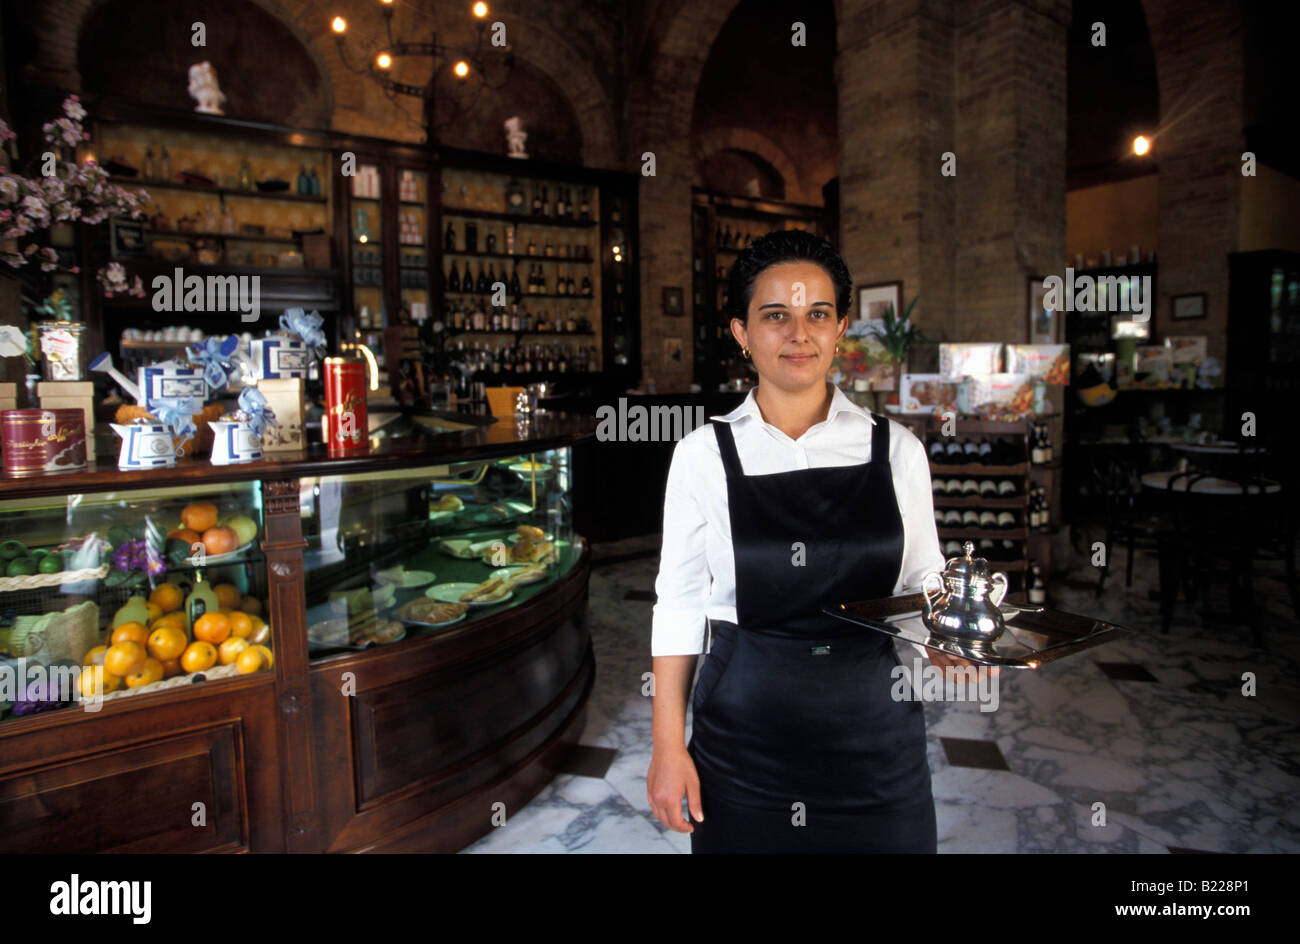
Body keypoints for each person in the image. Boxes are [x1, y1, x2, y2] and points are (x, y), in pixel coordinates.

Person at [646, 230, 976, 853]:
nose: (800, 334)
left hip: (876, 741)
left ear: (840, 327)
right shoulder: (701, 457)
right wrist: (667, 747)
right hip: (743, 742)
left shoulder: (897, 450)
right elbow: (679, 607)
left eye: (817, 314)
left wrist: (948, 641)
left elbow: (924, 581)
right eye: (776, 316)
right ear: (741, 332)